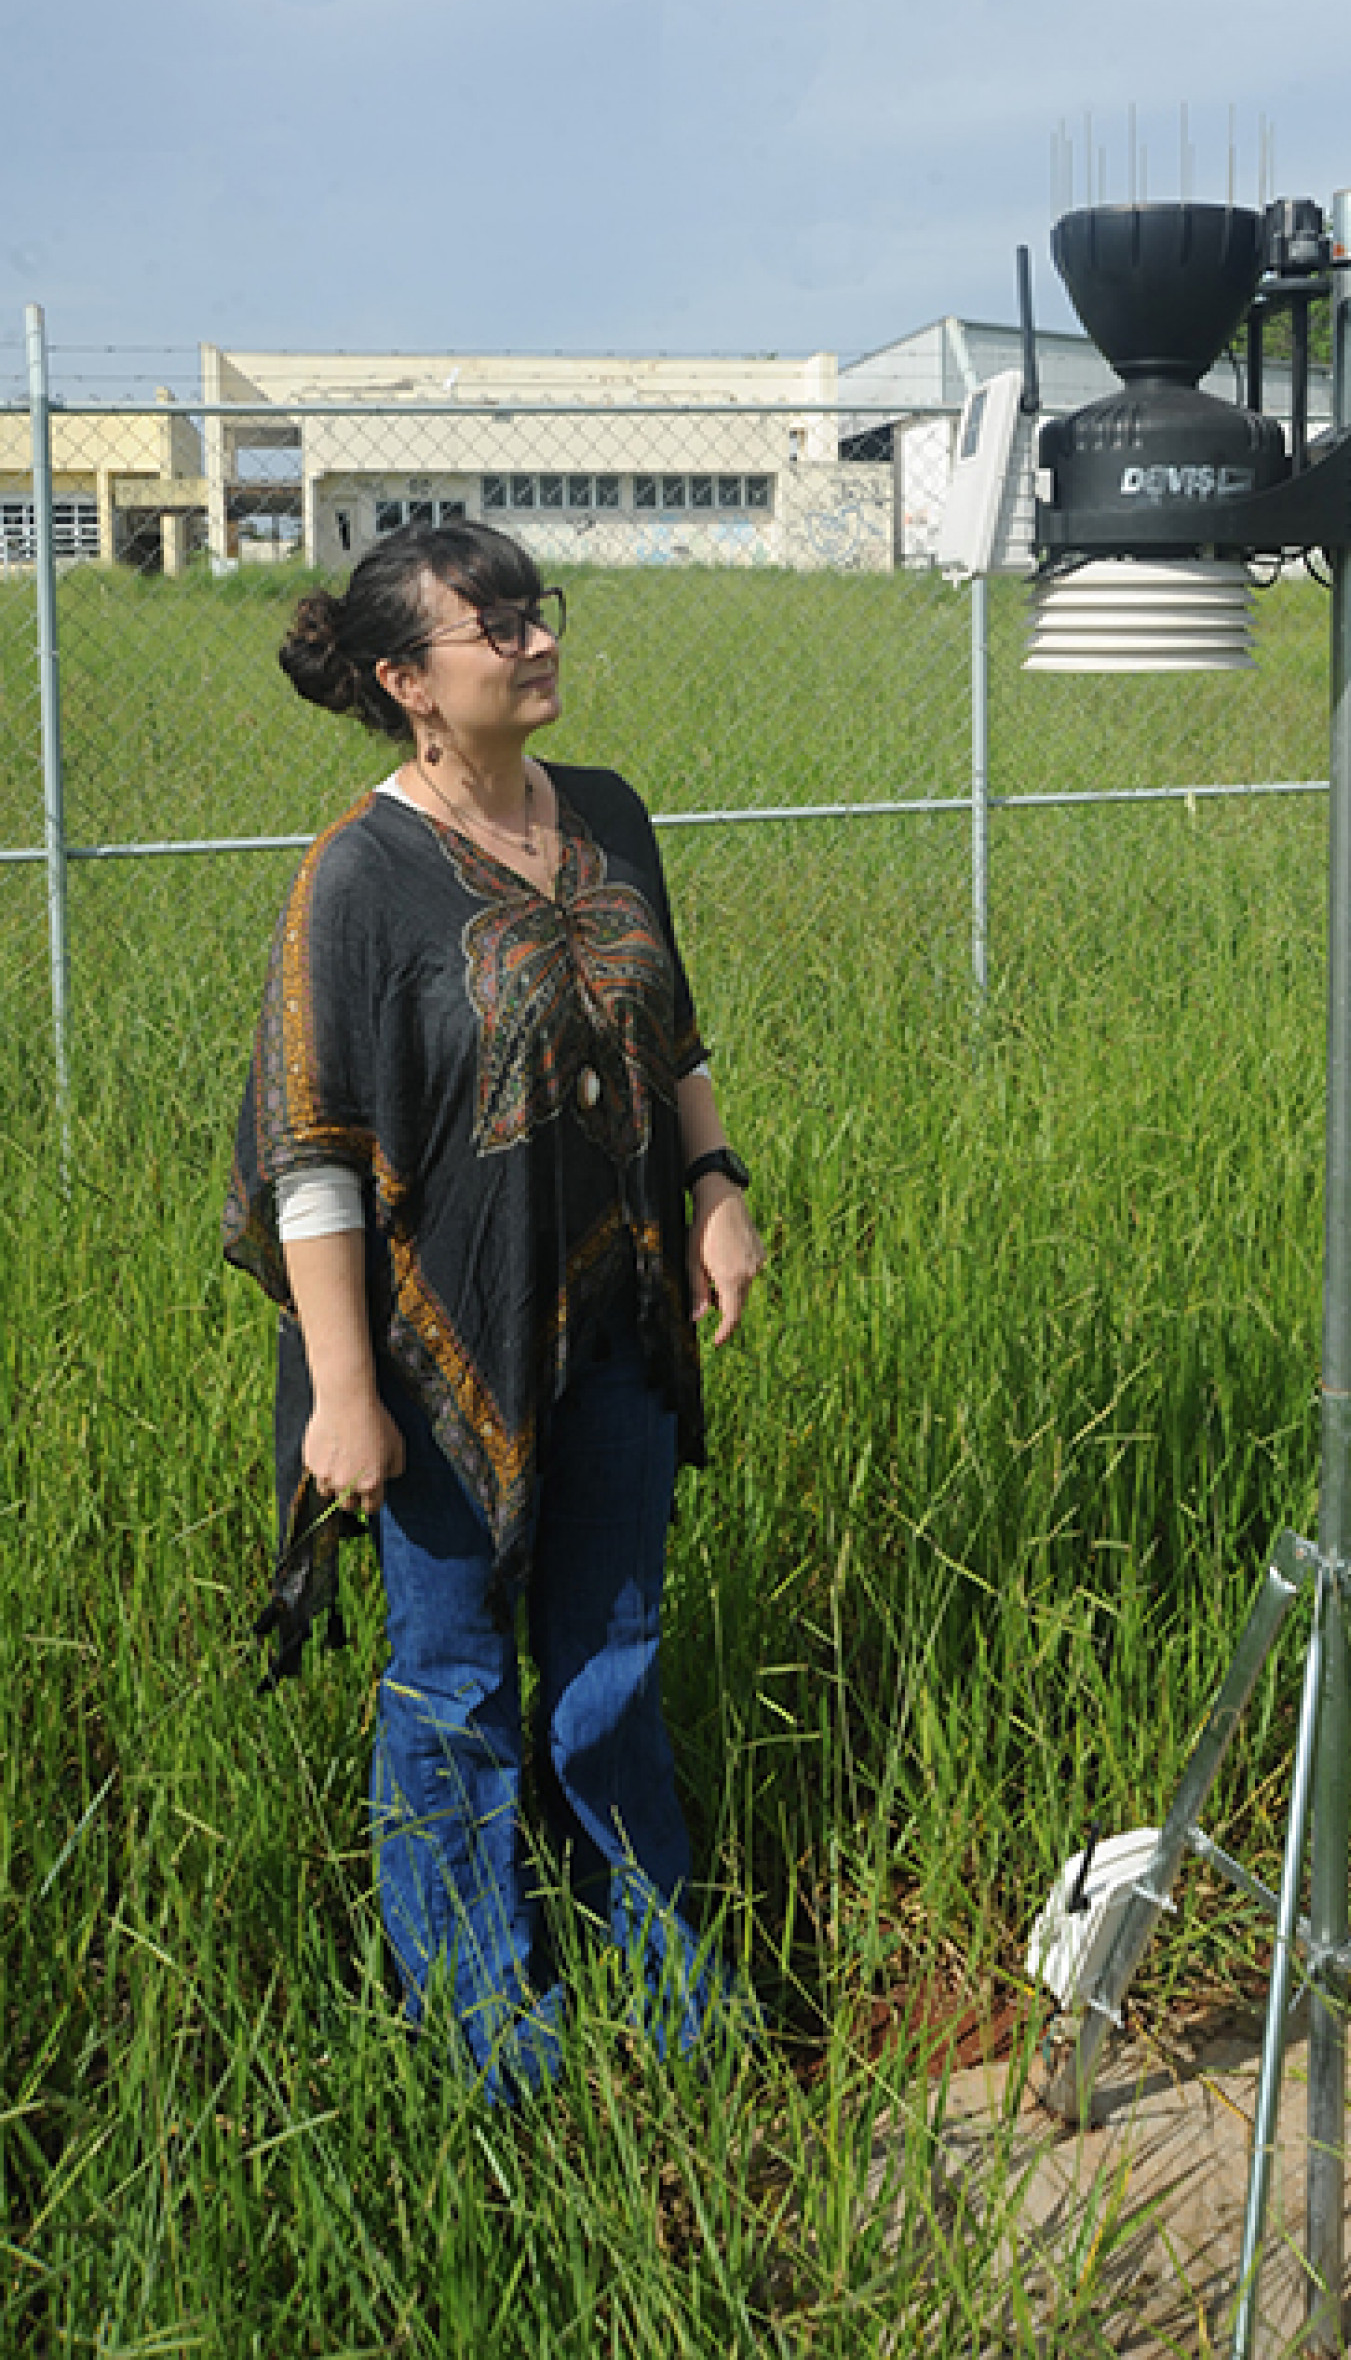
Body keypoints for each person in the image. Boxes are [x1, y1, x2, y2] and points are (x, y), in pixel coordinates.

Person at [224, 518, 764, 2100]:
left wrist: (715, 1184)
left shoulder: (607, 814)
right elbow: (310, 1151)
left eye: (539, 611)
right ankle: (493, 2042)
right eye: (497, 624)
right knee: (452, 1689)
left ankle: (667, 1990)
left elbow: (670, 1031)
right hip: (435, 1354)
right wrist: (344, 1393)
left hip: (620, 1313)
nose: (537, 641)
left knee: (612, 1661)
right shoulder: (359, 874)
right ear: (407, 680)